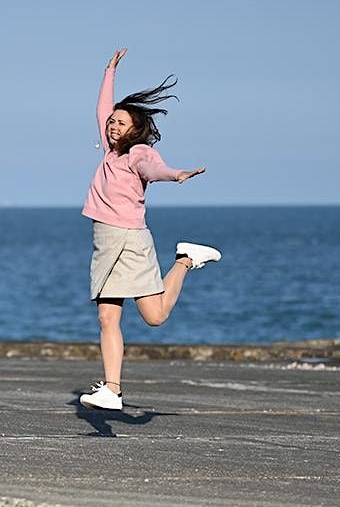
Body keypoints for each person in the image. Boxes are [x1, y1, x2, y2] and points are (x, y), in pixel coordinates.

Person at [79, 47, 221, 411]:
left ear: (135, 129)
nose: (113, 126)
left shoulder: (138, 153)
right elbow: (102, 109)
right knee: (107, 316)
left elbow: (153, 169)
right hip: (104, 242)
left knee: (155, 316)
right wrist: (109, 71)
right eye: (112, 123)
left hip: (130, 241)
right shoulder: (109, 152)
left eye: (120, 123)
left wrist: (175, 175)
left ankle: (185, 259)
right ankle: (112, 390)